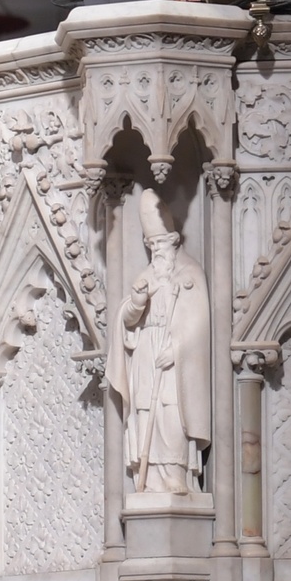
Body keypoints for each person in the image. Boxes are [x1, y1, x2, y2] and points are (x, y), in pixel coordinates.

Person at [105, 189, 210, 496]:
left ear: (173, 243)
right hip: (146, 350)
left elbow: (199, 323)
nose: (156, 251)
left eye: (160, 245)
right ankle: (150, 479)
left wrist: (177, 349)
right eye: (151, 246)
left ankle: (175, 474)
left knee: (171, 409)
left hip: (173, 355)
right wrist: (137, 302)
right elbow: (125, 319)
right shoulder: (146, 276)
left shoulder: (189, 273)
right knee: (145, 410)